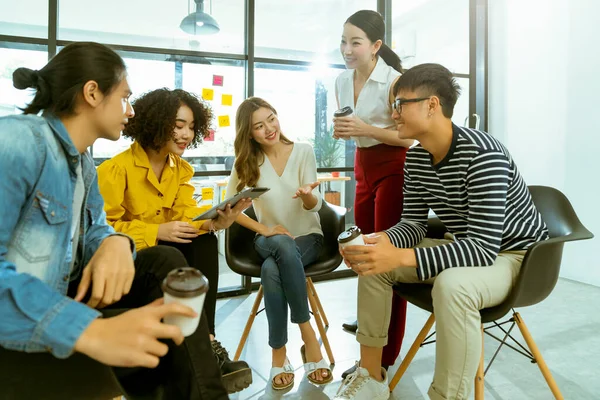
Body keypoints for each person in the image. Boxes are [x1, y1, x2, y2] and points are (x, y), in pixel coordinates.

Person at [0, 42, 229, 399]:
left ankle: (203, 369)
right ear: (92, 93)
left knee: (165, 264)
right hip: (26, 322)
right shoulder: (19, 141)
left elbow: (97, 230)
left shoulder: (84, 167)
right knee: (168, 349)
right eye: (124, 97)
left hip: (72, 289)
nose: (131, 110)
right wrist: (89, 331)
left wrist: (115, 243)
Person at [334, 63, 549, 400]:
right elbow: (414, 224)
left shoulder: (483, 154)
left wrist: (401, 255)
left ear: (431, 105)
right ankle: (371, 377)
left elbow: (482, 249)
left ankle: (449, 396)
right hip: (468, 246)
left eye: (399, 104)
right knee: (375, 264)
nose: (392, 114)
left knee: (453, 285)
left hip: (516, 256)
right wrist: (381, 242)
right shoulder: (417, 159)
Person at [97, 87, 253, 394]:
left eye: (192, 127)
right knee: (180, 246)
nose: (186, 134)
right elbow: (103, 230)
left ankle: (207, 340)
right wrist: (155, 232)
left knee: (204, 239)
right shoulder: (114, 170)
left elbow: (185, 216)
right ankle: (205, 352)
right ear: (155, 122)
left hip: (168, 256)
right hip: (131, 264)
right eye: (179, 125)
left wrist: (216, 221)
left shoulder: (180, 170)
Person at [226, 97, 332, 390]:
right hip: (269, 239)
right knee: (281, 247)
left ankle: (278, 354)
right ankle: (309, 336)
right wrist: (265, 229)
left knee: (272, 270)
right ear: (249, 133)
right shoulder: (246, 163)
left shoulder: (303, 151)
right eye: (259, 126)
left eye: (271, 119)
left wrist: (308, 195)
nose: (269, 128)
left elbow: (313, 207)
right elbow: (226, 208)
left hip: (308, 238)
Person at [334, 9, 414, 372]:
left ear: (376, 45)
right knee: (362, 253)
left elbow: (409, 136)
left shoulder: (395, 82)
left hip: (393, 166)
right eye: (343, 41)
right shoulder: (340, 80)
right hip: (361, 165)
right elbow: (351, 127)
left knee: (386, 257)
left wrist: (365, 127)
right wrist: (346, 131)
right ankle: (371, 329)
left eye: (355, 42)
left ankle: (384, 357)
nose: (347, 49)